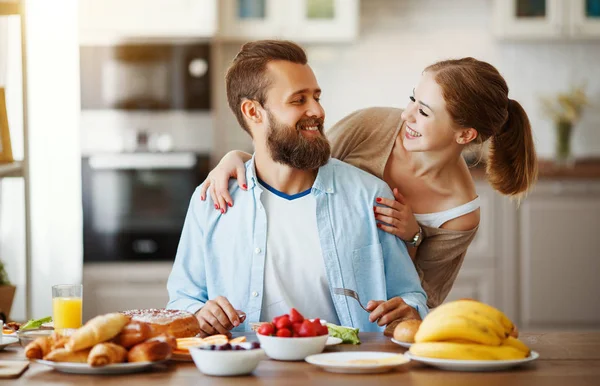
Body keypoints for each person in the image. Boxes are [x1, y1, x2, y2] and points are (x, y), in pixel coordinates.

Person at [200, 57, 538, 309]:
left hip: (360, 316)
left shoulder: (458, 213)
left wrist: (413, 235)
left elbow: (420, 297)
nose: (406, 115)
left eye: (424, 111)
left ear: (464, 134)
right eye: (412, 99)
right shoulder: (372, 125)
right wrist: (238, 157)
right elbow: (296, 158)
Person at [167, 40, 428, 337]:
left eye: (316, 97)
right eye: (298, 100)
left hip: (346, 371)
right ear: (253, 112)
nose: (317, 110)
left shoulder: (369, 196)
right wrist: (200, 313)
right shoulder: (212, 201)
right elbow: (182, 300)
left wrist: (409, 310)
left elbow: (411, 297)